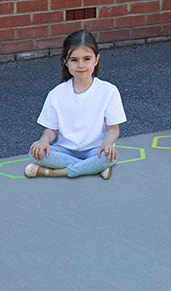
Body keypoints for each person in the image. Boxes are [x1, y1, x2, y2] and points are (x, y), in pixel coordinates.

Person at [26, 29, 126, 179]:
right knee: (34, 153)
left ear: (96, 60)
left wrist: (107, 143)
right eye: (74, 60)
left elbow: (113, 129)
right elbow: (51, 129)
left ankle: (54, 172)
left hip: (96, 149)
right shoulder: (57, 93)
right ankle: (92, 167)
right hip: (65, 150)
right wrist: (43, 140)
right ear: (65, 62)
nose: (81, 65)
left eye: (87, 59)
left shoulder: (108, 91)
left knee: (108, 156)